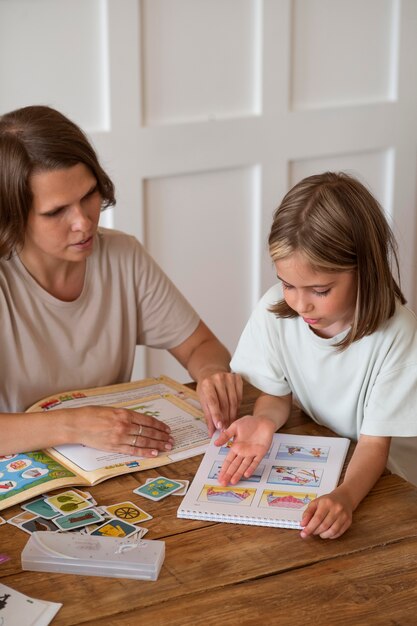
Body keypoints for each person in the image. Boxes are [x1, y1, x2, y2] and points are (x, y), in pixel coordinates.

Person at [0, 104, 242, 457]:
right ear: (13, 215)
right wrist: (76, 425)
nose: (83, 222)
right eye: (56, 212)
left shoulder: (122, 255)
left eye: (89, 196)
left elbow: (200, 346)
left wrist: (211, 374)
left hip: (111, 464)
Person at [215, 171, 417, 540]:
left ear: (364, 271)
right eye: (288, 284)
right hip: (332, 455)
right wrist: (264, 421)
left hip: (394, 479)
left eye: (320, 290)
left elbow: (375, 444)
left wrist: (344, 496)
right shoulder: (277, 310)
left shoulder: (398, 334)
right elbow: (277, 395)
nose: (300, 302)